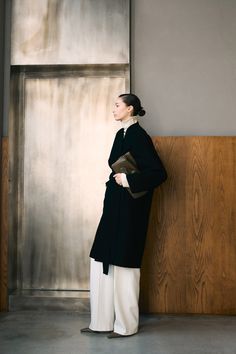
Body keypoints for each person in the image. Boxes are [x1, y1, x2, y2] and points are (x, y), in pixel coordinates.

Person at [81, 93, 167, 338]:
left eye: (117, 105)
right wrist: (118, 180)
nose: (113, 109)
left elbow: (159, 174)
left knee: (125, 263)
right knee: (101, 258)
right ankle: (101, 322)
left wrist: (128, 179)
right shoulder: (121, 134)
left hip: (131, 209)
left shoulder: (140, 136)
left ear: (130, 109)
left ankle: (126, 326)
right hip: (114, 206)